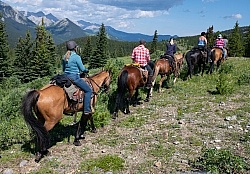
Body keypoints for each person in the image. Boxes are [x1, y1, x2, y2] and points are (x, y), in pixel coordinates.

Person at [62, 40, 93, 115]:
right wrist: (86, 70)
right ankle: (86, 110)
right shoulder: (76, 57)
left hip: (65, 77)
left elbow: (63, 69)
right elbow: (82, 69)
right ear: (75, 48)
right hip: (74, 77)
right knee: (89, 90)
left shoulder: (64, 57)